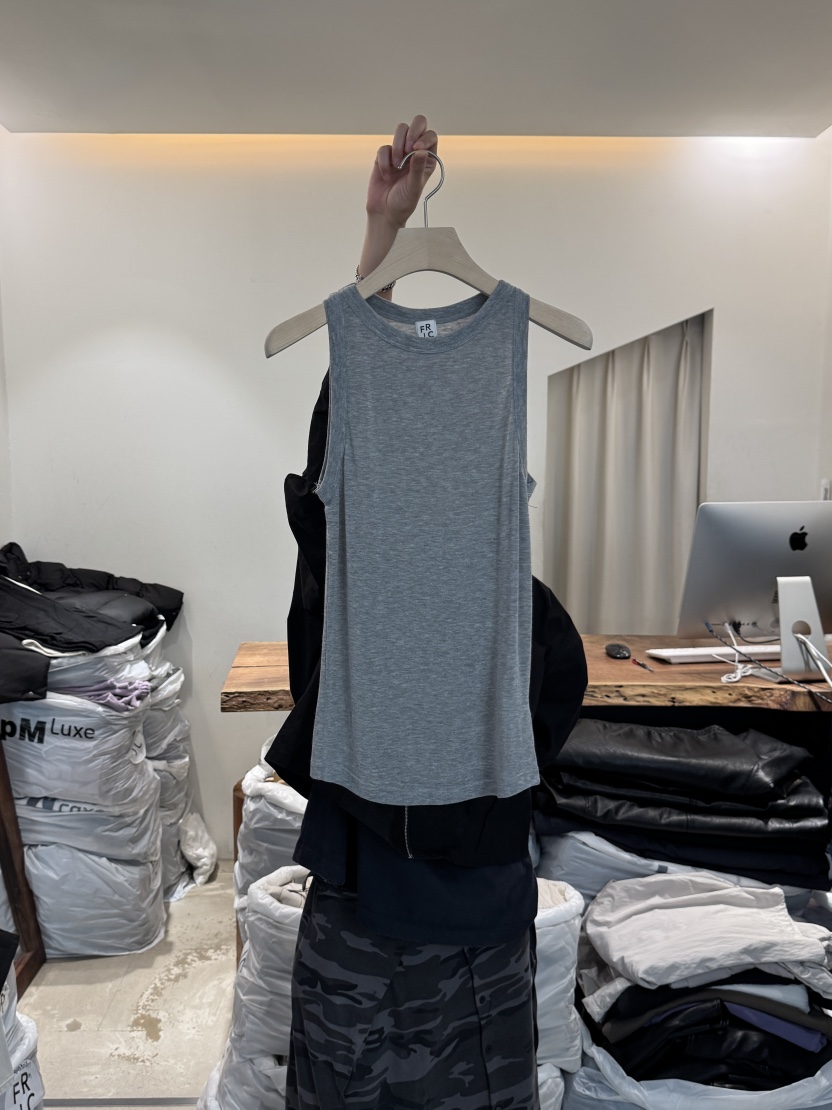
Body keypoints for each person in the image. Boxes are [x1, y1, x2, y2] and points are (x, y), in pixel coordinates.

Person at [278, 115, 588, 1110]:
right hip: (365, 883)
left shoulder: (528, 614)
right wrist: (380, 242)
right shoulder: (341, 538)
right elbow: (349, 411)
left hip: (473, 903)